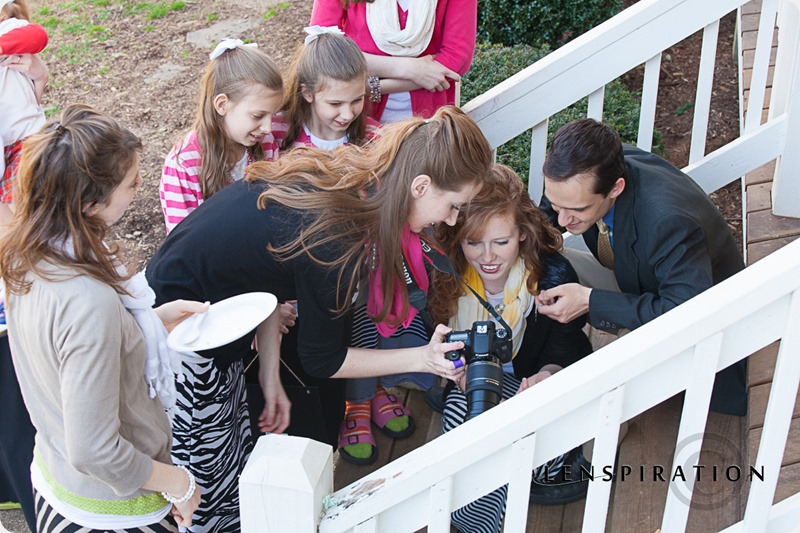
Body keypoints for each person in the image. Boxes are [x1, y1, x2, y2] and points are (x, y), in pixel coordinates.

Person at [145, 105, 490, 531]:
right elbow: (323, 360)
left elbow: (267, 274)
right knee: (205, 490)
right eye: (454, 206)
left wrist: (270, 375)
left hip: (216, 319)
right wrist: (423, 358)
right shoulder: (339, 236)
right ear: (420, 186)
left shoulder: (348, 179)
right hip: (180, 334)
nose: (451, 220)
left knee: (234, 460)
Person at [0, 104, 206, 532]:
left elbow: (61, 350)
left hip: (55, 480)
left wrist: (149, 323)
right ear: (91, 202)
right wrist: (179, 482)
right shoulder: (87, 302)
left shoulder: (28, 251)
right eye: (131, 184)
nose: (140, 187)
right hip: (111, 512)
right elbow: (95, 449)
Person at [537, 118, 747, 416]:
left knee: (612, 379)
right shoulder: (590, 168)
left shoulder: (668, 221)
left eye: (577, 210)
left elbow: (685, 313)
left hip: (695, 324)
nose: (562, 221)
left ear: (615, 188)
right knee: (554, 262)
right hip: (638, 279)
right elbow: (550, 210)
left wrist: (589, 301)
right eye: (557, 204)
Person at [428, 164, 593, 531]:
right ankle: (477, 524)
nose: (488, 257)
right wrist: (460, 375)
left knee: (534, 450)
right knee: (467, 428)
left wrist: (546, 377)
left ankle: (549, 466)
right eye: (474, 243)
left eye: (501, 242)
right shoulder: (445, 273)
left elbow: (566, 347)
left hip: (531, 382)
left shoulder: (551, 277)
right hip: (474, 383)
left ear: (522, 234)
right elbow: (438, 338)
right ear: (458, 239)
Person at [159, 38, 283, 233]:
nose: (268, 127)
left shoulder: (265, 143)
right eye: (258, 116)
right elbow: (182, 242)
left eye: (272, 115)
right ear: (222, 105)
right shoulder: (184, 164)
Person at [309, 0, 477, 123]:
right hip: (356, 115)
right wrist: (411, 69)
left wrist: (370, 86)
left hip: (428, 116)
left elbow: (457, 58)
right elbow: (321, 48)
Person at [272, 27, 380, 150]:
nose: (348, 115)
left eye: (357, 100)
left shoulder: (375, 138)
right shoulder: (275, 131)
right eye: (335, 103)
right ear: (307, 93)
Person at [0, 0, 48, 227]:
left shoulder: (7, 30)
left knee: (23, 211)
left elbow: (37, 36)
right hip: (5, 147)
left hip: (24, 138)